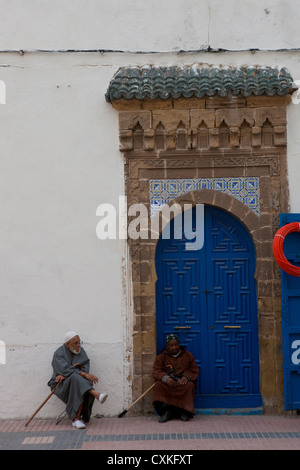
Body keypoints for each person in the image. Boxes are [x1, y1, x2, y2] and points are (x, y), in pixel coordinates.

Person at [48, 331, 108, 429]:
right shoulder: (58, 354)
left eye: (79, 342)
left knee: (80, 381)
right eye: (76, 343)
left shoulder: (81, 350)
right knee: (77, 379)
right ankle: (96, 394)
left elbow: (84, 366)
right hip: (60, 384)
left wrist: (68, 374)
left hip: (76, 381)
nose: (79, 345)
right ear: (68, 344)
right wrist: (79, 374)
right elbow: (65, 369)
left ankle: (77, 419)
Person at [152, 333, 199, 423]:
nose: (174, 347)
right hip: (169, 382)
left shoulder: (188, 355)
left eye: (176, 345)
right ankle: (166, 412)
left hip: (182, 382)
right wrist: (166, 378)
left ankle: (184, 412)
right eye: (171, 345)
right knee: (158, 385)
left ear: (179, 344)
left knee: (189, 386)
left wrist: (186, 377)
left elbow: (194, 369)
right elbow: (156, 371)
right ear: (167, 346)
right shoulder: (161, 357)